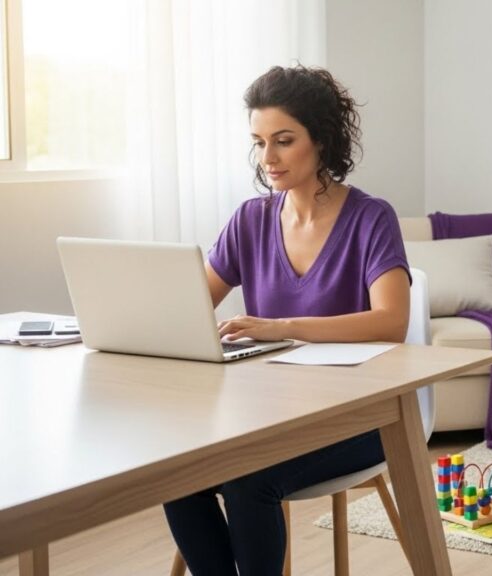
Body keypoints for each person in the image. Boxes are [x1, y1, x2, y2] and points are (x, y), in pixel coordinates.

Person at [163, 65, 411, 576]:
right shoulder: (250, 221)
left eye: (282, 141)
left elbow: (391, 322)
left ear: (320, 139)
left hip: (361, 415)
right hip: (266, 415)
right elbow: (189, 308)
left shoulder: (371, 218)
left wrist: (283, 326)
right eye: (258, 142)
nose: (267, 159)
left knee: (248, 481)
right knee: (177, 473)